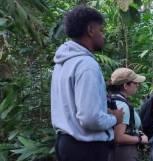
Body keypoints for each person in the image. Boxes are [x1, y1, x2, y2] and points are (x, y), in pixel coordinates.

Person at [51, 6, 123, 161]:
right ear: (91, 29)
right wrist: (115, 119)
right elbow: (89, 118)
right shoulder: (86, 64)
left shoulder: (62, 63)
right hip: (86, 148)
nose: (103, 36)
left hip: (65, 144)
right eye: (101, 30)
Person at [107, 68, 149, 161]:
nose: (137, 85)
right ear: (125, 85)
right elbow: (119, 137)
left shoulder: (111, 99)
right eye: (135, 83)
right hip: (123, 152)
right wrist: (140, 139)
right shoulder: (122, 105)